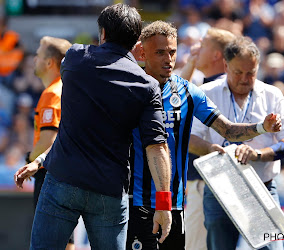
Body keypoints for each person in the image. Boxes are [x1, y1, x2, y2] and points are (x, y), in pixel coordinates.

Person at [14, 4, 172, 250]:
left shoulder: (76, 59)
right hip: (109, 190)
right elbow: (157, 147)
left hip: (63, 181)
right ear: (136, 42)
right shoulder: (148, 86)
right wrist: (163, 204)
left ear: (103, 33)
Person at [126, 21, 281, 250]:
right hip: (133, 200)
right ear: (142, 52)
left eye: (172, 52)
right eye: (160, 52)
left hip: (174, 204)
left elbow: (227, 129)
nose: (168, 59)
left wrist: (261, 127)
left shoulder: (187, 91)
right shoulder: (128, 87)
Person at [189, 36, 284, 250]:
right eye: (238, 72)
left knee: (271, 248)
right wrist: (212, 150)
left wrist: (258, 154)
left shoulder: (272, 94)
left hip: (263, 187)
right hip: (220, 188)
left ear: (258, 67)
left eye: (251, 72)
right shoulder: (206, 93)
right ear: (226, 65)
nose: (245, 79)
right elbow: (190, 139)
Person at [180, 27, 236, 250]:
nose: (195, 49)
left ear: (216, 55)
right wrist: (192, 62)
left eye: (202, 46)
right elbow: (170, 94)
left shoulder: (218, 89)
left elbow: (169, 98)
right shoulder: (211, 86)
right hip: (207, 182)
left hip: (206, 182)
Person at [25, 36, 74, 250]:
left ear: (48, 62)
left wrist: (29, 160)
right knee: (66, 239)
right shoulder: (66, 89)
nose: (33, 58)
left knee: (48, 241)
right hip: (65, 172)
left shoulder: (53, 93)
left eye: (37, 54)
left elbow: (48, 139)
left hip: (49, 173)